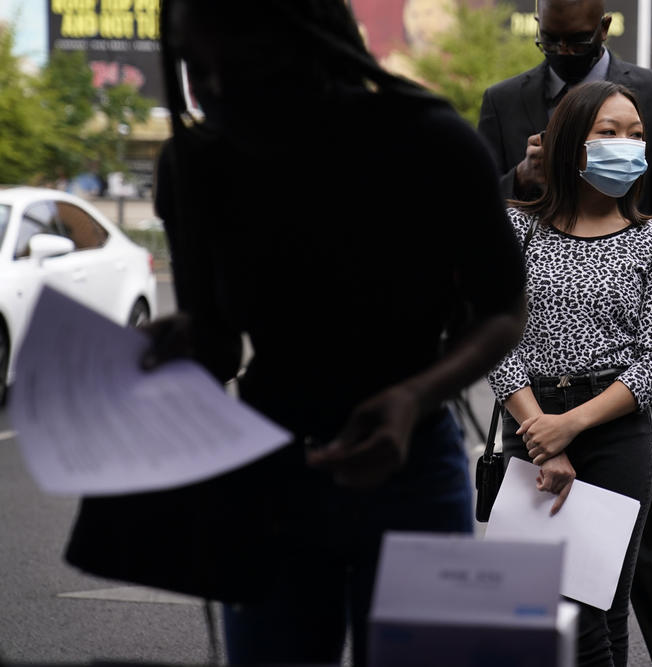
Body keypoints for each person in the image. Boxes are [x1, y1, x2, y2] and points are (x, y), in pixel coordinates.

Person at [150, 1, 526, 664]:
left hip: (413, 465)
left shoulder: (430, 141)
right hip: (271, 474)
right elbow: (216, 346)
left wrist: (413, 397)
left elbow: (503, 310)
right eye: (189, 63)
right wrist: (167, 348)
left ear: (304, 38)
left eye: (230, 60)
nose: (207, 84)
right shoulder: (196, 163)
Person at [478, 2, 652, 665]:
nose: (627, 146)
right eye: (609, 133)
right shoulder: (518, 222)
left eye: (635, 135)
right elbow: (497, 332)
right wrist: (541, 431)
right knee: (539, 606)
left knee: (597, 603)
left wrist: (573, 426)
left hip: (614, 418)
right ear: (567, 141)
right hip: (532, 420)